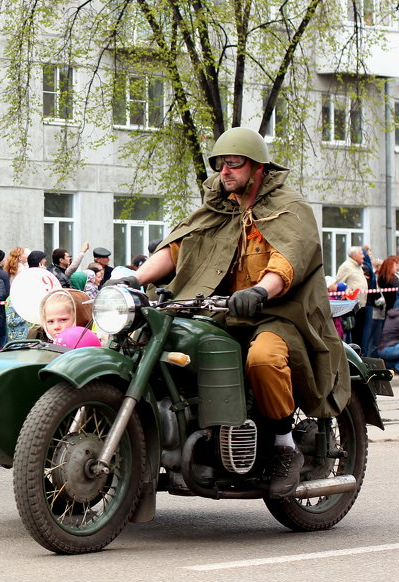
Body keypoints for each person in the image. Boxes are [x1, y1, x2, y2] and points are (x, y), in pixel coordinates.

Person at [109, 126, 350, 498]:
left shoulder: (289, 208)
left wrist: (259, 290)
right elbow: (178, 249)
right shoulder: (217, 210)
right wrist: (135, 279)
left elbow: (289, 259)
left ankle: (285, 446)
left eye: (234, 163)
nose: (225, 171)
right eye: (220, 163)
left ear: (257, 168)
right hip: (216, 313)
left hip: (277, 314)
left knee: (263, 359)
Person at [34, 288, 99, 348]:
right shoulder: (42, 346)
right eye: (50, 322)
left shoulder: (91, 345)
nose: (56, 327)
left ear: (79, 317)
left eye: (63, 320)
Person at [333, 246, 368, 346]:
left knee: (360, 334)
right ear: (355, 256)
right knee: (353, 335)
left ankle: (359, 355)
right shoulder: (346, 267)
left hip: (361, 305)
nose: (363, 256)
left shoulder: (359, 266)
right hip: (351, 308)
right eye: (361, 254)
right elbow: (338, 284)